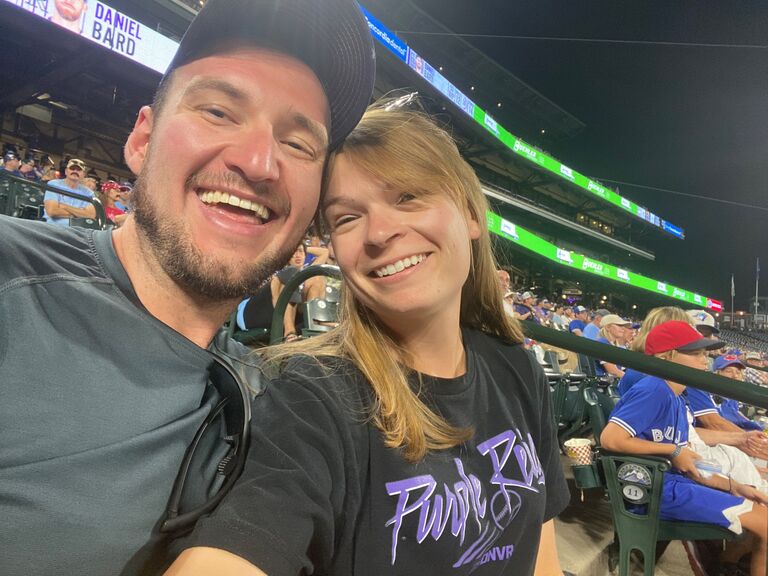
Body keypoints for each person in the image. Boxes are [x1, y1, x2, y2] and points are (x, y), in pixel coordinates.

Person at [0, 0, 375, 574]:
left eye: (299, 144)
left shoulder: (279, 407)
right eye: (220, 111)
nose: (259, 162)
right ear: (142, 140)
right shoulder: (12, 280)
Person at [168, 101, 569, 575]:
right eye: (347, 218)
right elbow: (245, 537)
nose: (379, 232)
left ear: (470, 214)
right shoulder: (316, 395)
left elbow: (540, 547)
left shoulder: (517, 369)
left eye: (407, 197)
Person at [601, 321, 768, 576]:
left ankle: (726, 564)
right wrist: (672, 450)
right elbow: (610, 439)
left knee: (762, 510)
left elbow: (692, 463)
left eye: (705, 353)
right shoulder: (654, 388)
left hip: (674, 486)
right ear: (666, 356)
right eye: (696, 353)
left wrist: (736, 486)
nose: (706, 360)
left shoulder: (677, 399)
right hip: (651, 492)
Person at [270, 240, 329, 341]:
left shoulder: (307, 269)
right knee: (292, 272)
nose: (297, 255)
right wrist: (290, 247)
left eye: (300, 252)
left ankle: (314, 326)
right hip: (277, 307)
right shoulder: (283, 271)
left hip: (301, 308)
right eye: (293, 253)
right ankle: (289, 333)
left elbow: (325, 252)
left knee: (318, 277)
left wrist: (303, 247)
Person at [42, 158, 97, 225]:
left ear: (83, 174)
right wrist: (80, 213)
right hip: (54, 228)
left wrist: (65, 206)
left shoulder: (89, 193)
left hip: (79, 231)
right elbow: (52, 211)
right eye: (72, 168)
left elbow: (91, 215)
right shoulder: (53, 184)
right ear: (66, 171)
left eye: (79, 170)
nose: (75, 171)